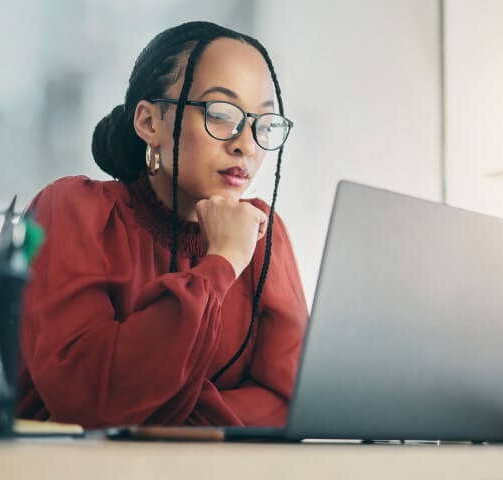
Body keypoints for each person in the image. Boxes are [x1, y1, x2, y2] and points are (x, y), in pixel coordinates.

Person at [16, 21, 308, 429]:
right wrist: (221, 261)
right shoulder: (72, 209)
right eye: (221, 114)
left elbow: (289, 403)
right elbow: (86, 400)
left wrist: (161, 414)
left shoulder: (262, 233)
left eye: (263, 123)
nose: (246, 144)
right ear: (150, 123)